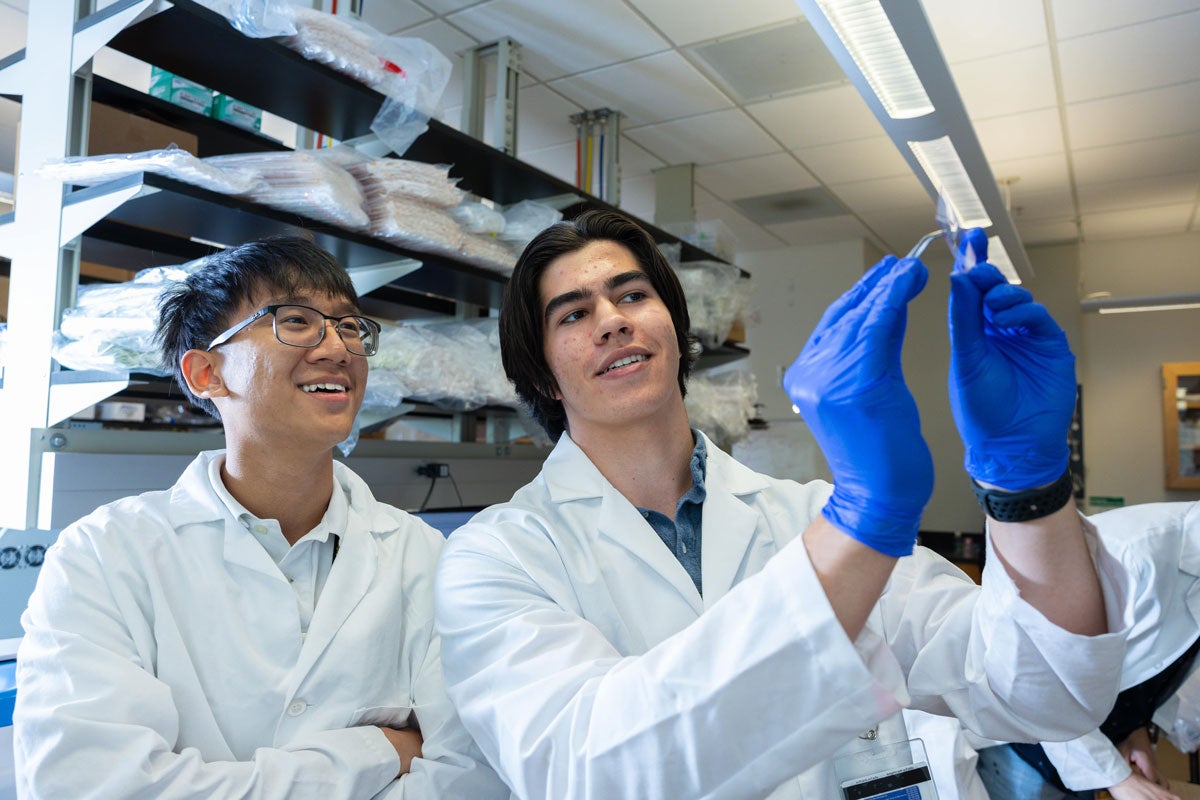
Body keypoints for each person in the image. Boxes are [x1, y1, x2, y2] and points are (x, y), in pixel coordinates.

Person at [433, 210, 1130, 799]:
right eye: (575, 314)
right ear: (542, 377)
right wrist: (861, 524)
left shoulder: (811, 516)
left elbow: (1043, 694)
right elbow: (592, 770)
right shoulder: (497, 556)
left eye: (632, 296)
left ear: (677, 331)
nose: (612, 321)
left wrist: (1026, 489)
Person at [14, 237, 510, 799]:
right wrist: (374, 751)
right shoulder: (105, 554)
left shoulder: (426, 556)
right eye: (295, 321)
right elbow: (87, 788)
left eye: (350, 327)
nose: (337, 348)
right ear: (206, 373)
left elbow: (469, 774)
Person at [971, 501, 1200, 800]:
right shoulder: (1134, 554)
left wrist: (1136, 729)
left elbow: (1160, 660)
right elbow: (1043, 684)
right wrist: (1117, 779)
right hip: (1024, 747)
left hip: (1091, 745)